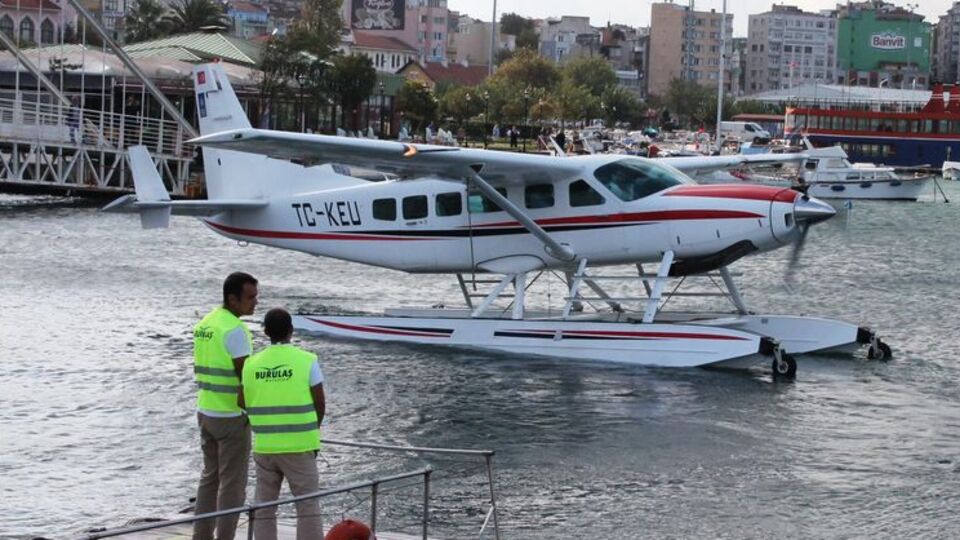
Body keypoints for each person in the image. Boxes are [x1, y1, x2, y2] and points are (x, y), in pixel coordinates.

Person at [242, 308, 325, 540]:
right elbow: (320, 403)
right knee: (307, 507)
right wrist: (311, 432)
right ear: (291, 330)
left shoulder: (251, 364)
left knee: (264, 508)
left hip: (265, 446)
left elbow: (243, 401)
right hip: (300, 445)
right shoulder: (307, 360)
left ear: (265, 331)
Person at [192, 272, 259, 540]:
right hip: (231, 416)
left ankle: (202, 535)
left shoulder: (206, 324)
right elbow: (246, 378)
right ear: (233, 299)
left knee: (210, 479)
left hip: (206, 410)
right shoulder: (235, 330)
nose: (255, 302)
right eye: (250, 297)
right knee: (233, 485)